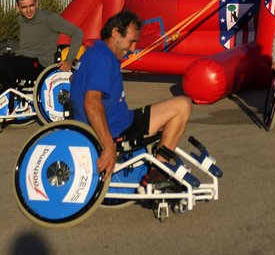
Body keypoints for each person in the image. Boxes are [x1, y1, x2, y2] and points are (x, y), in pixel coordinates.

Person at [69, 10, 194, 182]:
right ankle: (157, 172)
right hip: (119, 128)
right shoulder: (103, 58)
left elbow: (73, 79)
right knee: (183, 105)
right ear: (115, 33)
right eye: (131, 41)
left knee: (176, 107)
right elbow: (91, 102)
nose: (133, 48)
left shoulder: (93, 52)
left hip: (118, 119)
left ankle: (157, 167)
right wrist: (108, 146)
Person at [0, 0, 83, 98]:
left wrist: (69, 60)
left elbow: (77, 33)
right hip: (23, 61)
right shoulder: (21, 20)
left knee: (6, 62)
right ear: (17, 8)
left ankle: (9, 103)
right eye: (24, 7)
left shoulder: (50, 18)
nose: (29, 10)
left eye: (31, 5)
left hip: (40, 64)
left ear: (36, 3)